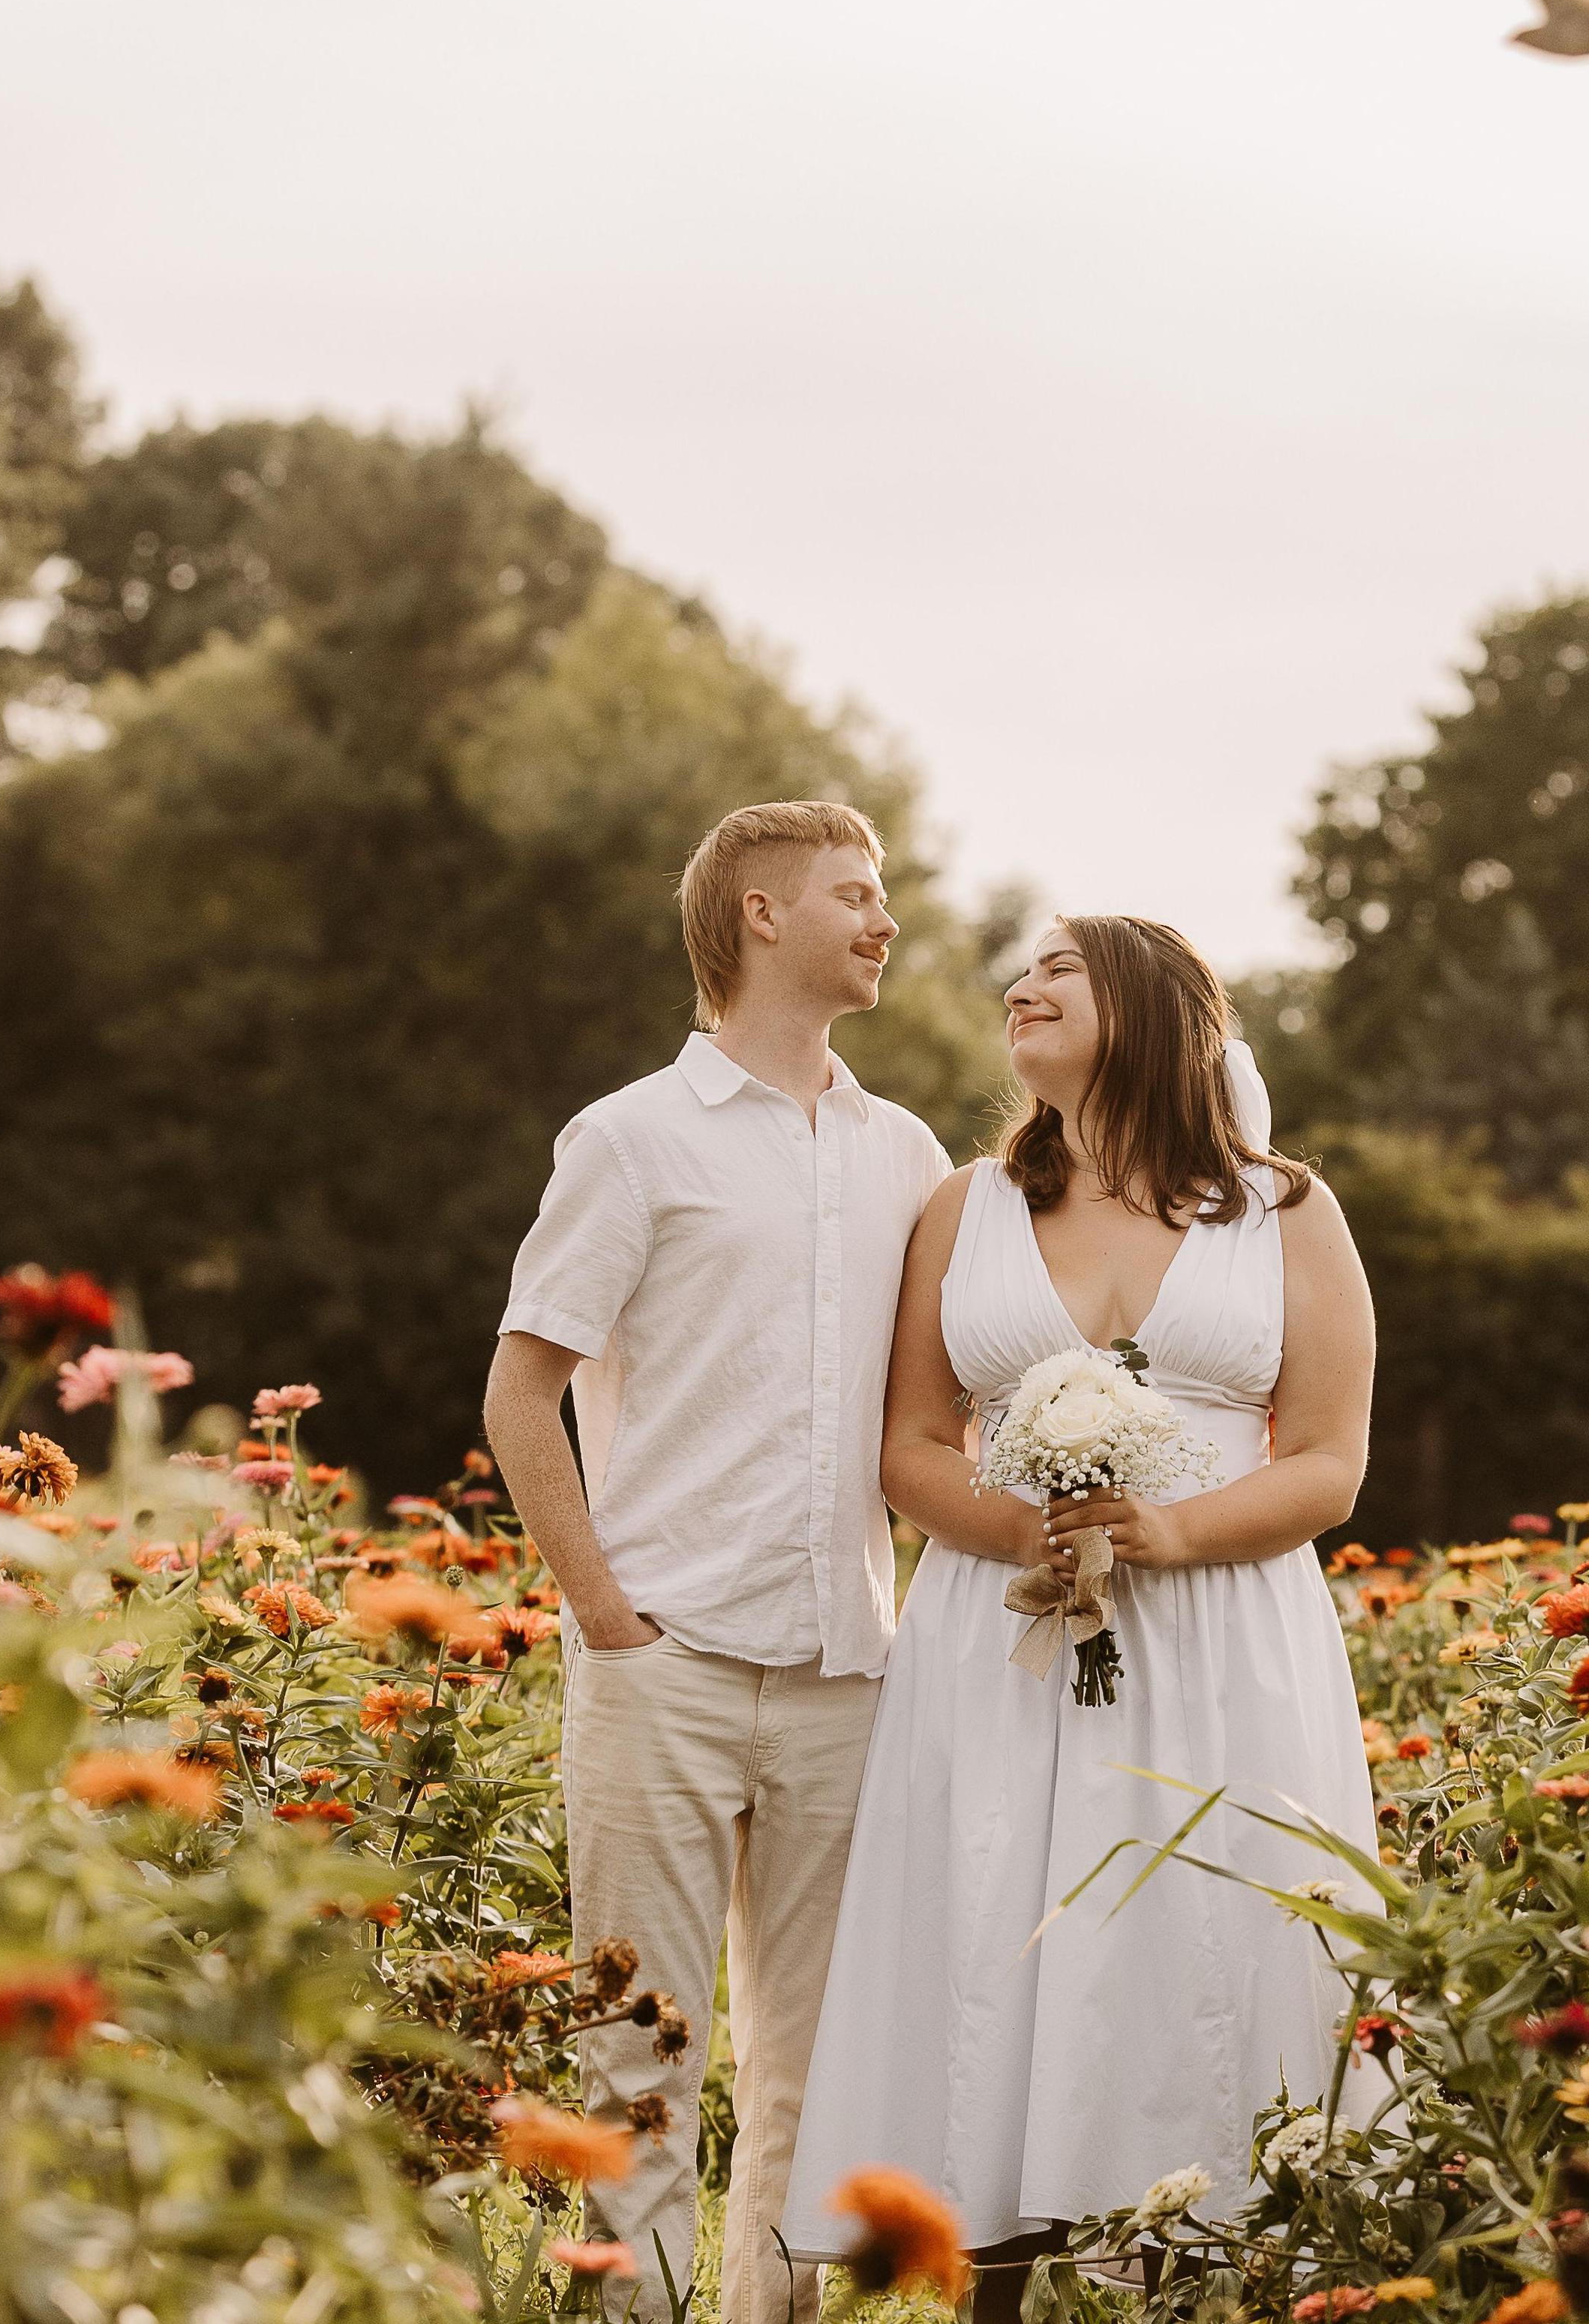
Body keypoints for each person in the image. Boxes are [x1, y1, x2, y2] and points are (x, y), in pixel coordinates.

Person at [782, 913, 1387, 2320]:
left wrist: (1162, 1530)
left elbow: (1327, 1460)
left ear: (1153, 1006)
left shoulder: (1284, 1209)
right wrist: (1022, 1533)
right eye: (1020, 969)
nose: (1023, 984)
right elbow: (915, 1439)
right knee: (992, 1918)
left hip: (1225, 1635)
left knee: (1207, 1935)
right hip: (1002, 1634)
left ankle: (1214, 2278)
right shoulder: (963, 1205)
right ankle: (986, 2285)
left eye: (1061, 966)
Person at [482, 801, 952, 2324]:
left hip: (845, 1675)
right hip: (663, 1666)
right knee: (641, 2069)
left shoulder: (908, 1156)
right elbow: (518, 1390)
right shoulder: (630, 1138)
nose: (885, 921)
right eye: (855, 895)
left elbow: (938, 1409)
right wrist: (606, 1616)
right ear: (761, 915)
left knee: (818, 2080)